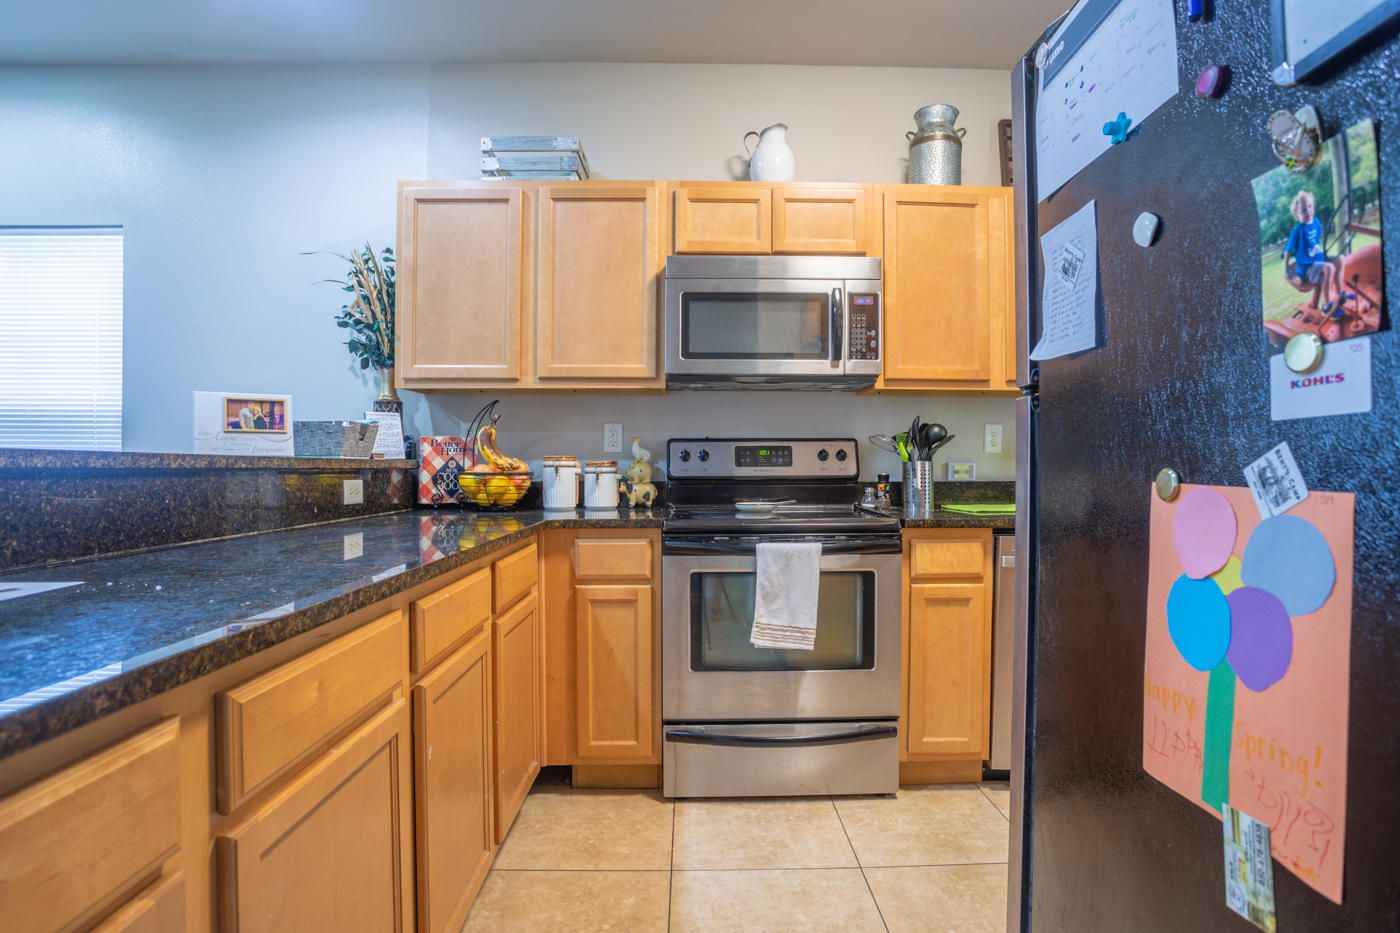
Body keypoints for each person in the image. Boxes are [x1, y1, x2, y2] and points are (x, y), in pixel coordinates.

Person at [1282, 190, 1345, 318]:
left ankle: (1341, 294)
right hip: (1307, 267)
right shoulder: (1297, 230)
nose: (1308, 212)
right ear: (1297, 216)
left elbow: (1315, 240)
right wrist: (1286, 269)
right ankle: (1327, 307)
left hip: (1318, 259)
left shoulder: (1316, 222)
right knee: (1329, 268)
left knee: (1340, 260)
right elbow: (1288, 250)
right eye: (1304, 211)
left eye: (1310, 207)